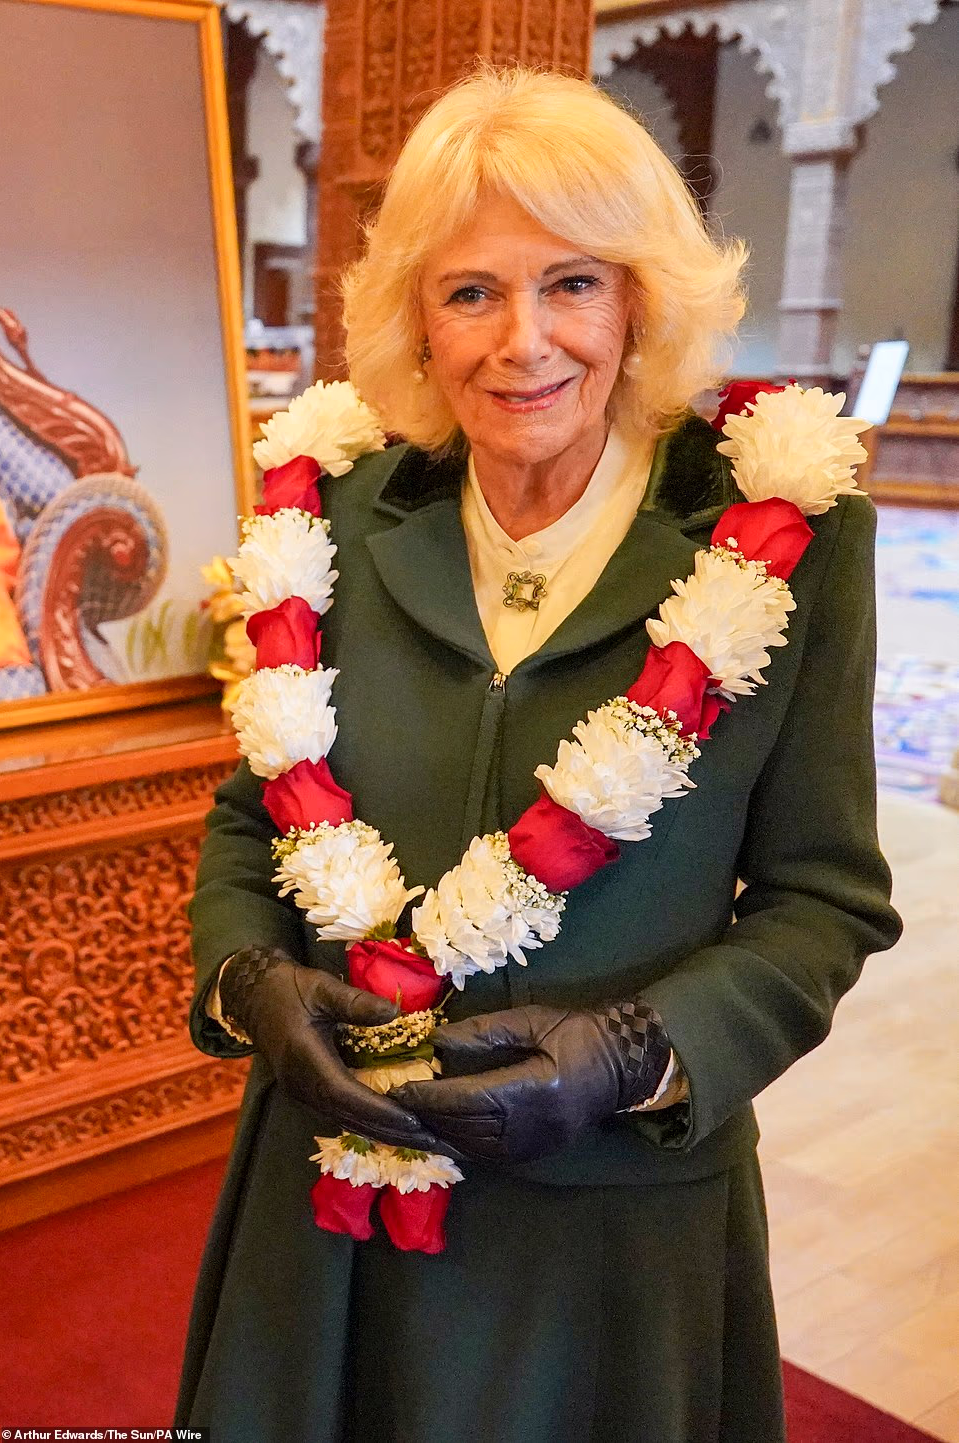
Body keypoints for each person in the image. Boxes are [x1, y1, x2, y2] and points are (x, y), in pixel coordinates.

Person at [174, 65, 902, 1443]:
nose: (524, 343)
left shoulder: (784, 542)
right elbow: (250, 815)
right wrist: (249, 979)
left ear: (640, 300)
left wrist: (634, 1053)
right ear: (417, 318)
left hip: (610, 1228)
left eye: (572, 283)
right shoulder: (331, 516)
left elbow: (824, 899)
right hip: (329, 1199)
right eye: (472, 292)